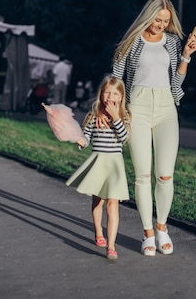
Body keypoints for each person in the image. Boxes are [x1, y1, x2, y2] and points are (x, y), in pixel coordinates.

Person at [110, 0, 196, 256]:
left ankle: (162, 227)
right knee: (142, 175)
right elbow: (116, 79)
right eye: (157, 19)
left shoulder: (172, 43)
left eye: (165, 21)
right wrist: (112, 110)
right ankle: (148, 232)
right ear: (148, 16)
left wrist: (186, 56)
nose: (161, 25)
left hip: (165, 108)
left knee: (165, 175)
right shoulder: (131, 42)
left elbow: (176, 85)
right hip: (136, 107)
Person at [63, 75, 131, 260]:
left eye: (115, 94)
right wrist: (79, 141)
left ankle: (111, 246)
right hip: (98, 163)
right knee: (98, 201)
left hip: (115, 165)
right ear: (101, 94)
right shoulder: (93, 116)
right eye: (107, 92)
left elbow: (124, 138)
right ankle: (98, 233)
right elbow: (85, 138)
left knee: (113, 204)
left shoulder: (125, 116)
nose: (110, 97)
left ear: (121, 97)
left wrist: (116, 117)